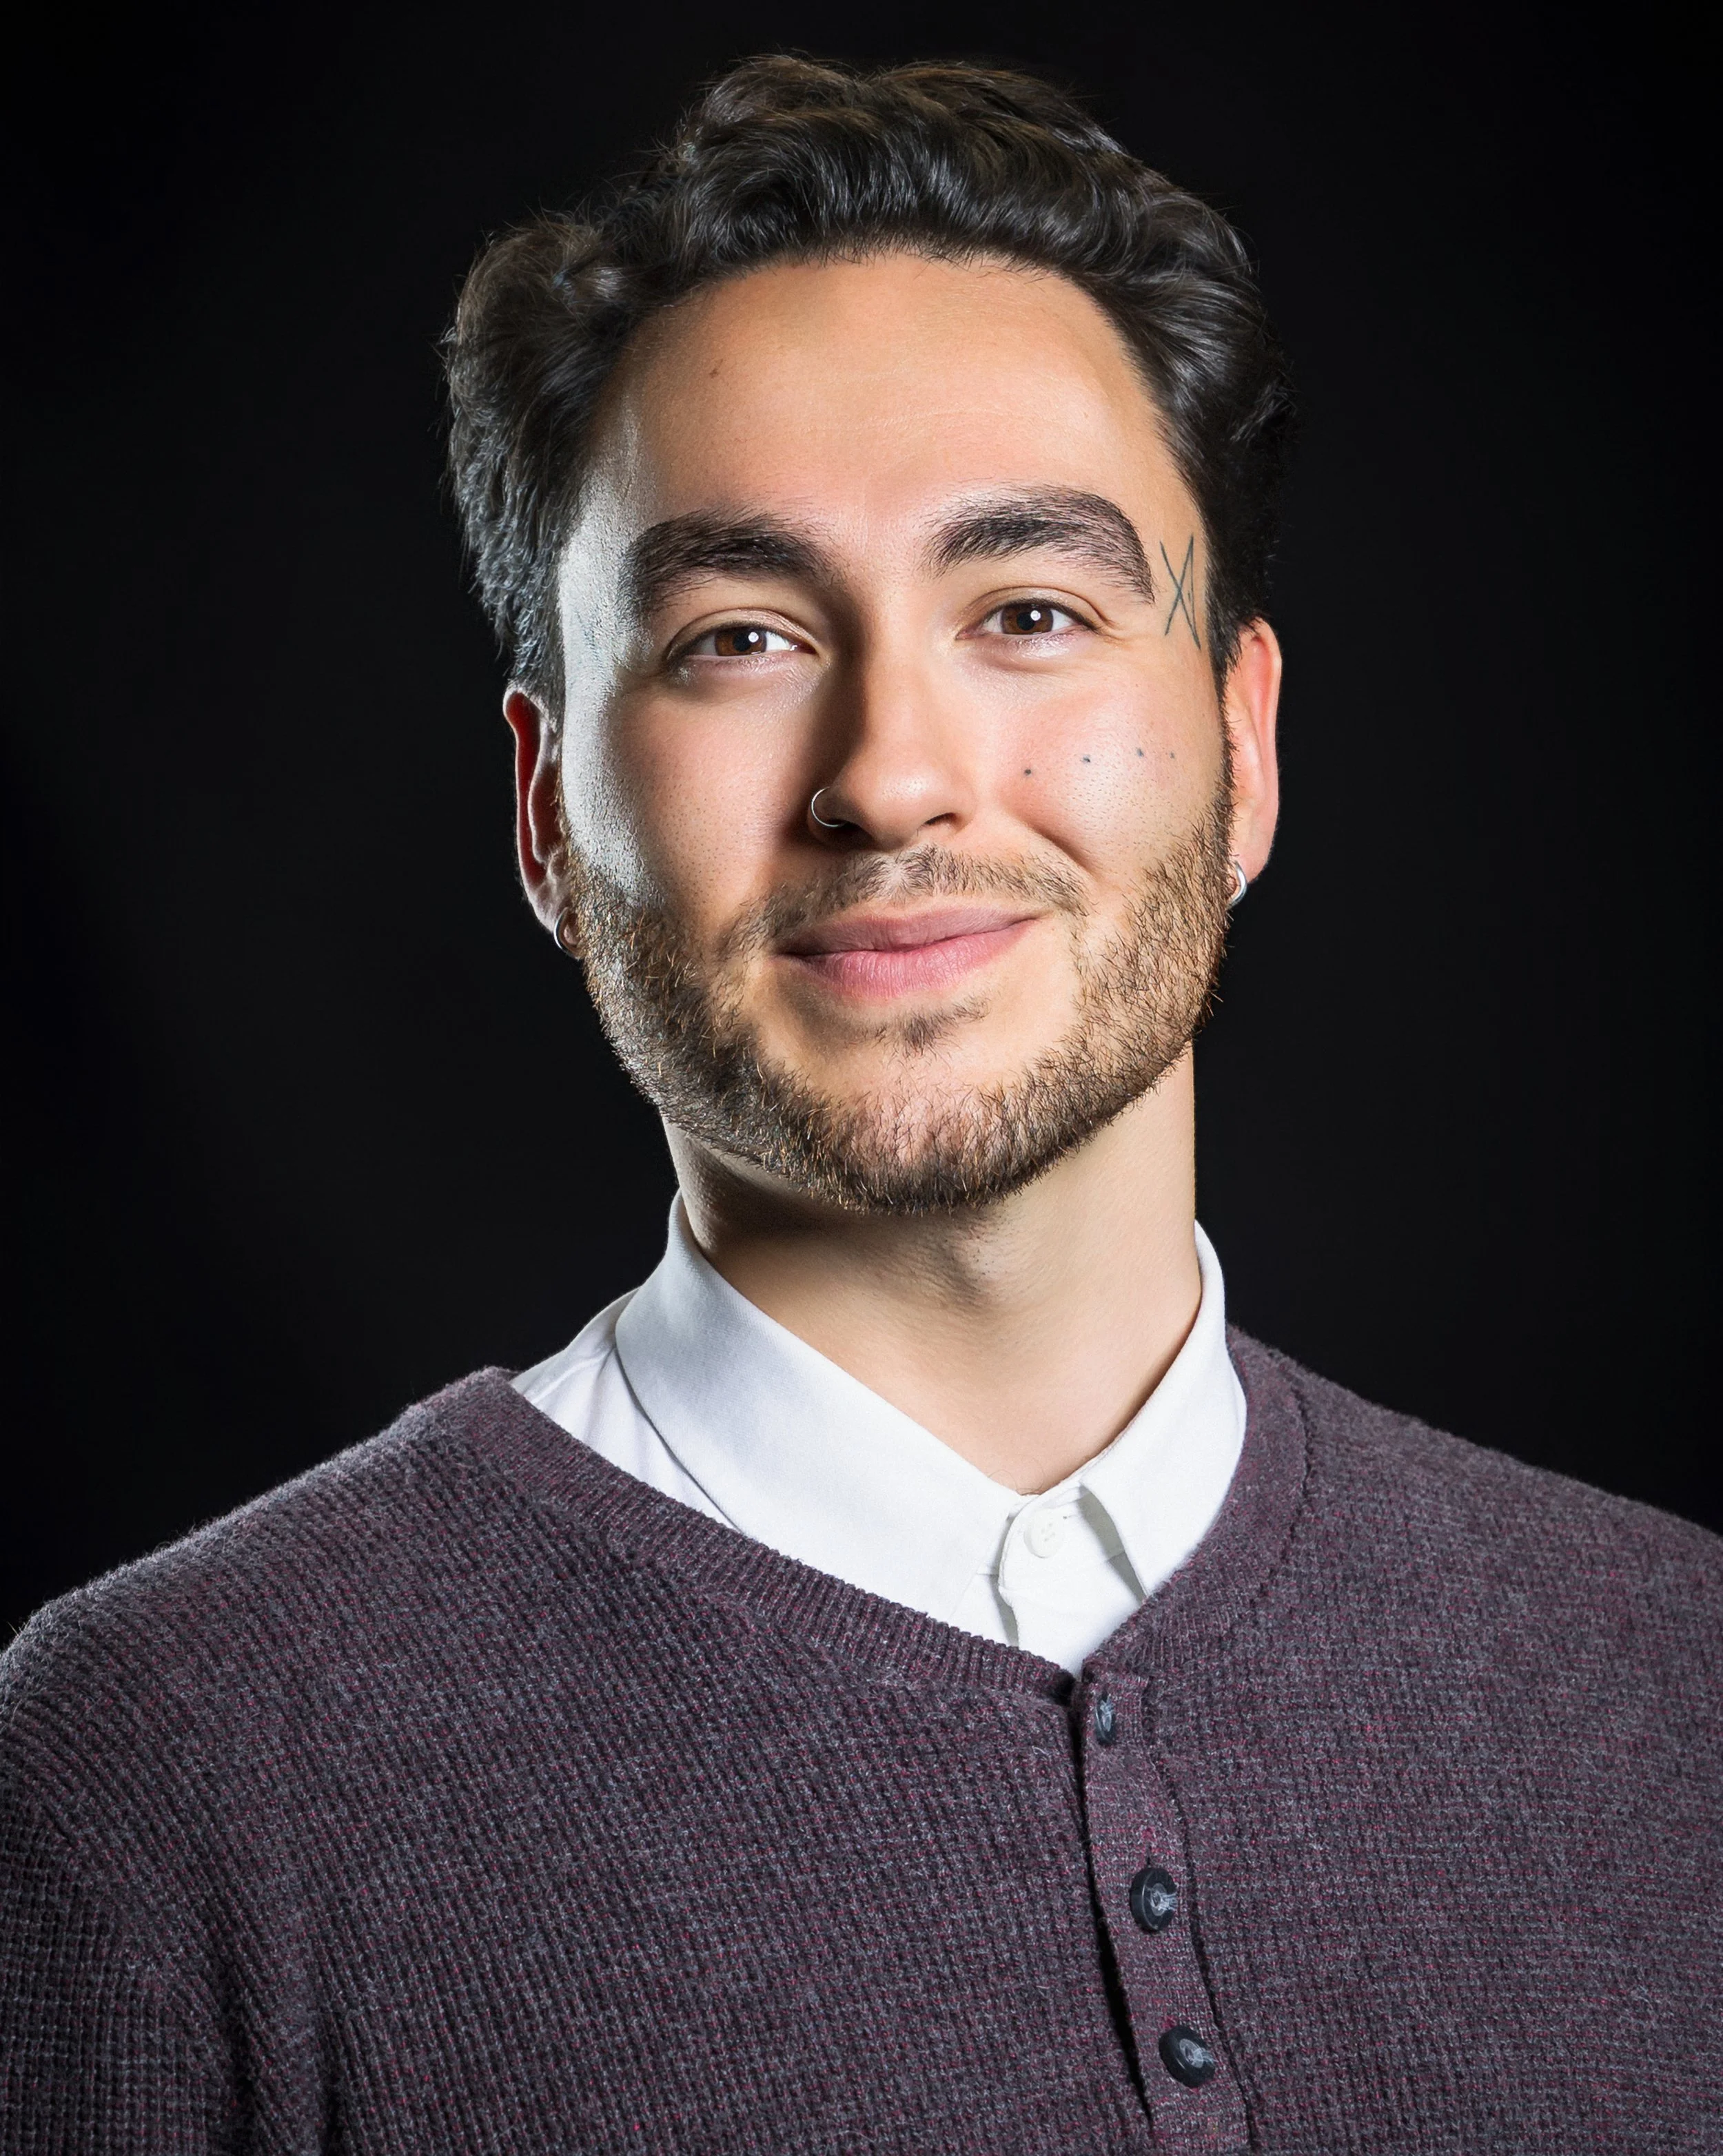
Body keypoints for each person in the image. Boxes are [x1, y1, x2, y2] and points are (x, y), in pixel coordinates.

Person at [2, 54, 1717, 2156]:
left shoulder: (1674, 1686)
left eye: (1028, 613)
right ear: (549, 817)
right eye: (737, 634)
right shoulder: (159, 1770)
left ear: (1241, 746)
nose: (892, 773)